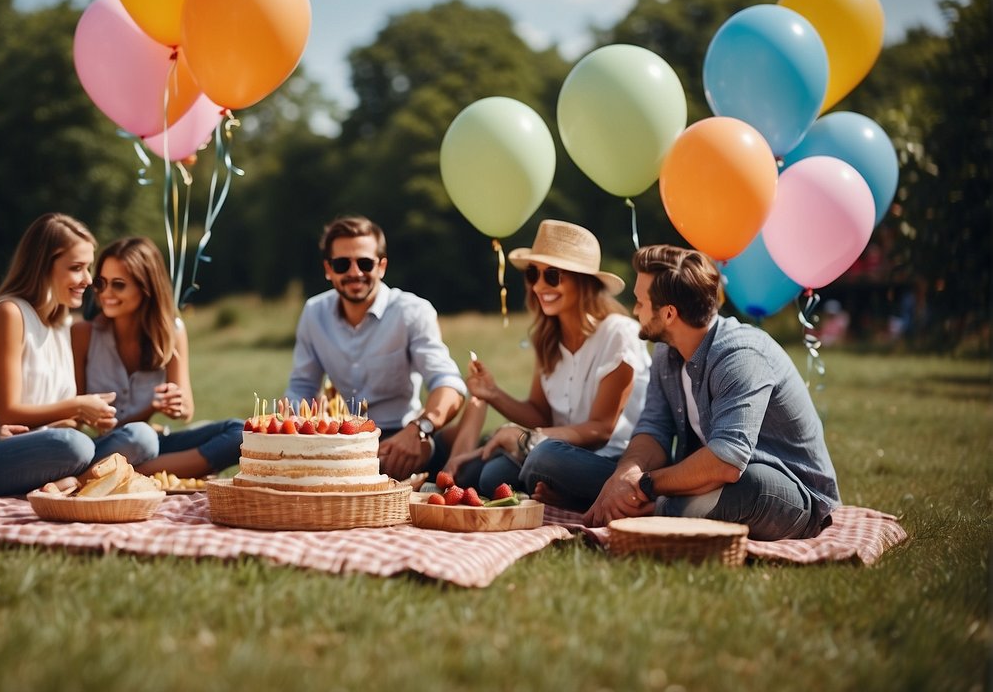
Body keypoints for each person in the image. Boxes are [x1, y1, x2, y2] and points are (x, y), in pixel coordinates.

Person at [586, 244, 841, 541]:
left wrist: (644, 485)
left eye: (641, 302)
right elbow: (653, 428)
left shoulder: (739, 356)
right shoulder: (665, 354)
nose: (635, 310)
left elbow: (727, 462)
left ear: (668, 313)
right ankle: (653, 508)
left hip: (789, 496)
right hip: (698, 483)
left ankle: (652, 510)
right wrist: (624, 476)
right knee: (553, 460)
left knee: (753, 484)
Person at [0, 214, 160, 498]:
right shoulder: (9, 314)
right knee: (75, 445)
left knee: (141, 437)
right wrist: (78, 407)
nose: (87, 280)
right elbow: (7, 411)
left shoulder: (62, 325)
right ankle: (75, 480)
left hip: (35, 448)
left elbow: (55, 422)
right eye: (76, 268)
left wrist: (83, 418)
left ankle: (68, 482)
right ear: (43, 267)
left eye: (88, 268)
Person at [444, 220, 650, 507]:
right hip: (555, 450)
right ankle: (560, 493)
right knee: (487, 475)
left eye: (552, 275)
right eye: (533, 274)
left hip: (613, 460)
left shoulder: (619, 333)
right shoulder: (547, 338)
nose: (539, 285)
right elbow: (540, 413)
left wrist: (526, 439)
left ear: (583, 280)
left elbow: (601, 430)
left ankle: (567, 494)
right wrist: (493, 393)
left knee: (542, 458)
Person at [283, 215, 467, 480]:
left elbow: (449, 384)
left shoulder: (412, 312)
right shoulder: (314, 313)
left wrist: (419, 429)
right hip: (344, 436)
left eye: (365, 263)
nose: (355, 272)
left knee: (357, 471)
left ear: (381, 267)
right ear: (328, 269)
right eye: (342, 263)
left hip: (402, 435)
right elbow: (301, 387)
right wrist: (290, 434)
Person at [72, 237, 243, 478]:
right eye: (101, 283)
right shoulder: (83, 334)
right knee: (139, 437)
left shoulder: (172, 331)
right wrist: (148, 410)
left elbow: (186, 411)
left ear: (146, 287)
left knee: (240, 433)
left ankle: (129, 473)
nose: (106, 293)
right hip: (110, 446)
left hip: (152, 444)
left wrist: (175, 404)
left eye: (118, 285)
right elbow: (78, 418)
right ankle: (148, 471)